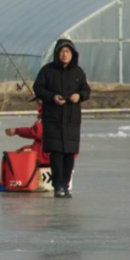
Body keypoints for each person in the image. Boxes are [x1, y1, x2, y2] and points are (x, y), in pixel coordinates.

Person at [34, 39, 90, 198]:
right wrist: (52, 97)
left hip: (71, 119)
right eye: (62, 51)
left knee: (69, 154)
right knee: (56, 153)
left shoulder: (78, 72)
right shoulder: (47, 71)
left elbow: (86, 90)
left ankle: (65, 184)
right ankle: (58, 185)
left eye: (68, 52)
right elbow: (38, 88)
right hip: (53, 119)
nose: (65, 54)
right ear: (57, 54)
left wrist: (79, 96)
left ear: (72, 54)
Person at [5, 102, 49, 167]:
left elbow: (37, 133)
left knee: (21, 153)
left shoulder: (47, 113)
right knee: (23, 150)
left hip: (45, 157)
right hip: (53, 154)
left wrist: (16, 131)